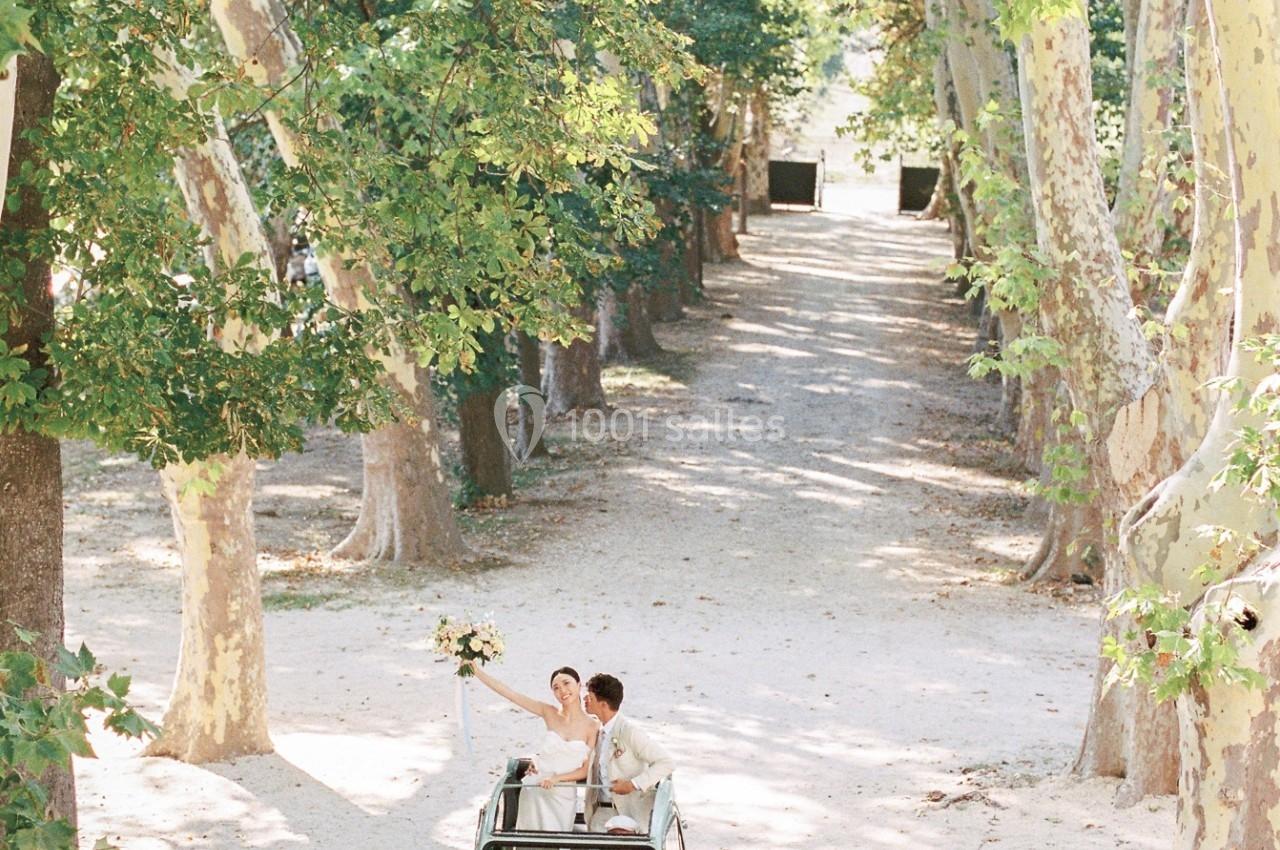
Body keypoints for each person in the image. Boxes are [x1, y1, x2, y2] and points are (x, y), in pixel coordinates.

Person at [465, 661, 598, 831]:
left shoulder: (592, 726)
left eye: (566, 683)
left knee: (555, 839)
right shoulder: (548, 712)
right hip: (536, 786)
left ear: (579, 685)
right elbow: (511, 695)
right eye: (556, 688)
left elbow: (584, 770)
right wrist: (476, 671)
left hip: (562, 793)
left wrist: (556, 779)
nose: (562, 691)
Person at [583, 673, 674, 832]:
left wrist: (633, 784)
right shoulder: (596, 731)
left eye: (589, 697)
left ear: (603, 704)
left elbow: (666, 762)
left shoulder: (629, 732)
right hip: (599, 814)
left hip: (628, 816)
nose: (585, 700)